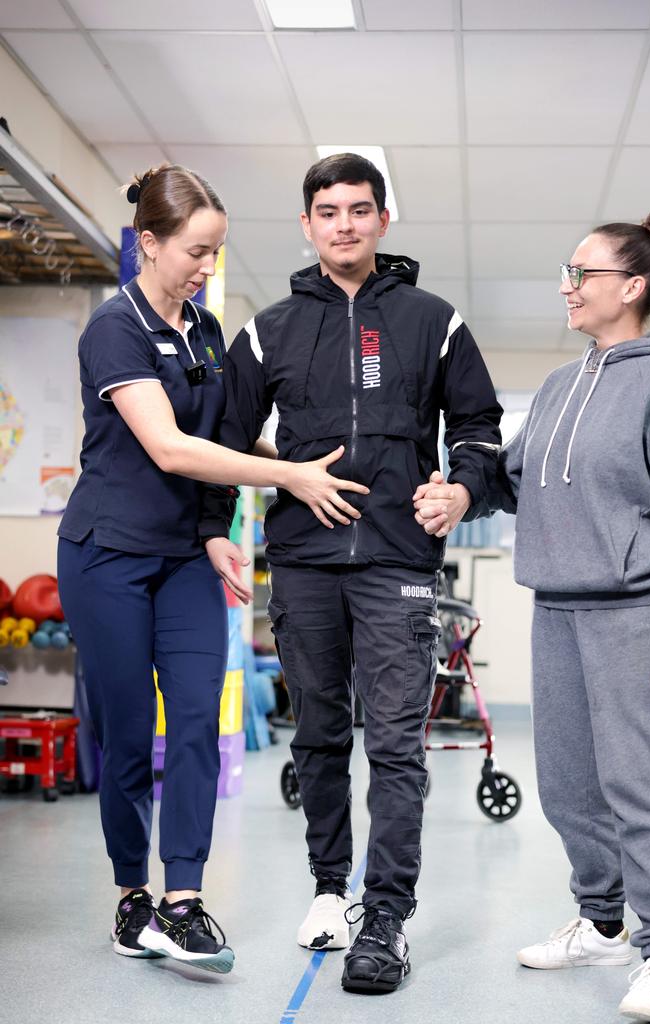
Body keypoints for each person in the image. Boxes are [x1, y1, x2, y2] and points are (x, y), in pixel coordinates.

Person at [200, 152, 502, 992]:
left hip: (398, 561)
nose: (344, 224)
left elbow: (479, 431)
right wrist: (245, 509)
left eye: (359, 210)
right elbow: (224, 438)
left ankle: (387, 917)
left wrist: (463, 489)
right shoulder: (268, 330)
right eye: (328, 211)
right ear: (307, 225)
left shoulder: (433, 321)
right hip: (301, 561)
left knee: (398, 743)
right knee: (323, 735)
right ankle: (330, 890)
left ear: (382, 221)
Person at [414, 210, 650, 1022]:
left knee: (638, 786)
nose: (567, 285)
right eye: (568, 271)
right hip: (556, 608)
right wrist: (462, 492)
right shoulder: (559, 386)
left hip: (632, 611)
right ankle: (603, 920)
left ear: (631, 286)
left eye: (580, 273)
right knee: (567, 787)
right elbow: (513, 480)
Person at [57, 163, 368, 974]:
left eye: (217, 251)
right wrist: (289, 478)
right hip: (107, 557)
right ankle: (133, 898)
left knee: (196, 719)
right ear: (149, 243)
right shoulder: (112, 329)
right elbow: (169, 446)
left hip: (182, 561)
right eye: (196, 250)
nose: (207, 266)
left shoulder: (202, 332)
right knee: (128, 732)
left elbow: (224, 446)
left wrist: (280, 480)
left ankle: (185, 901)